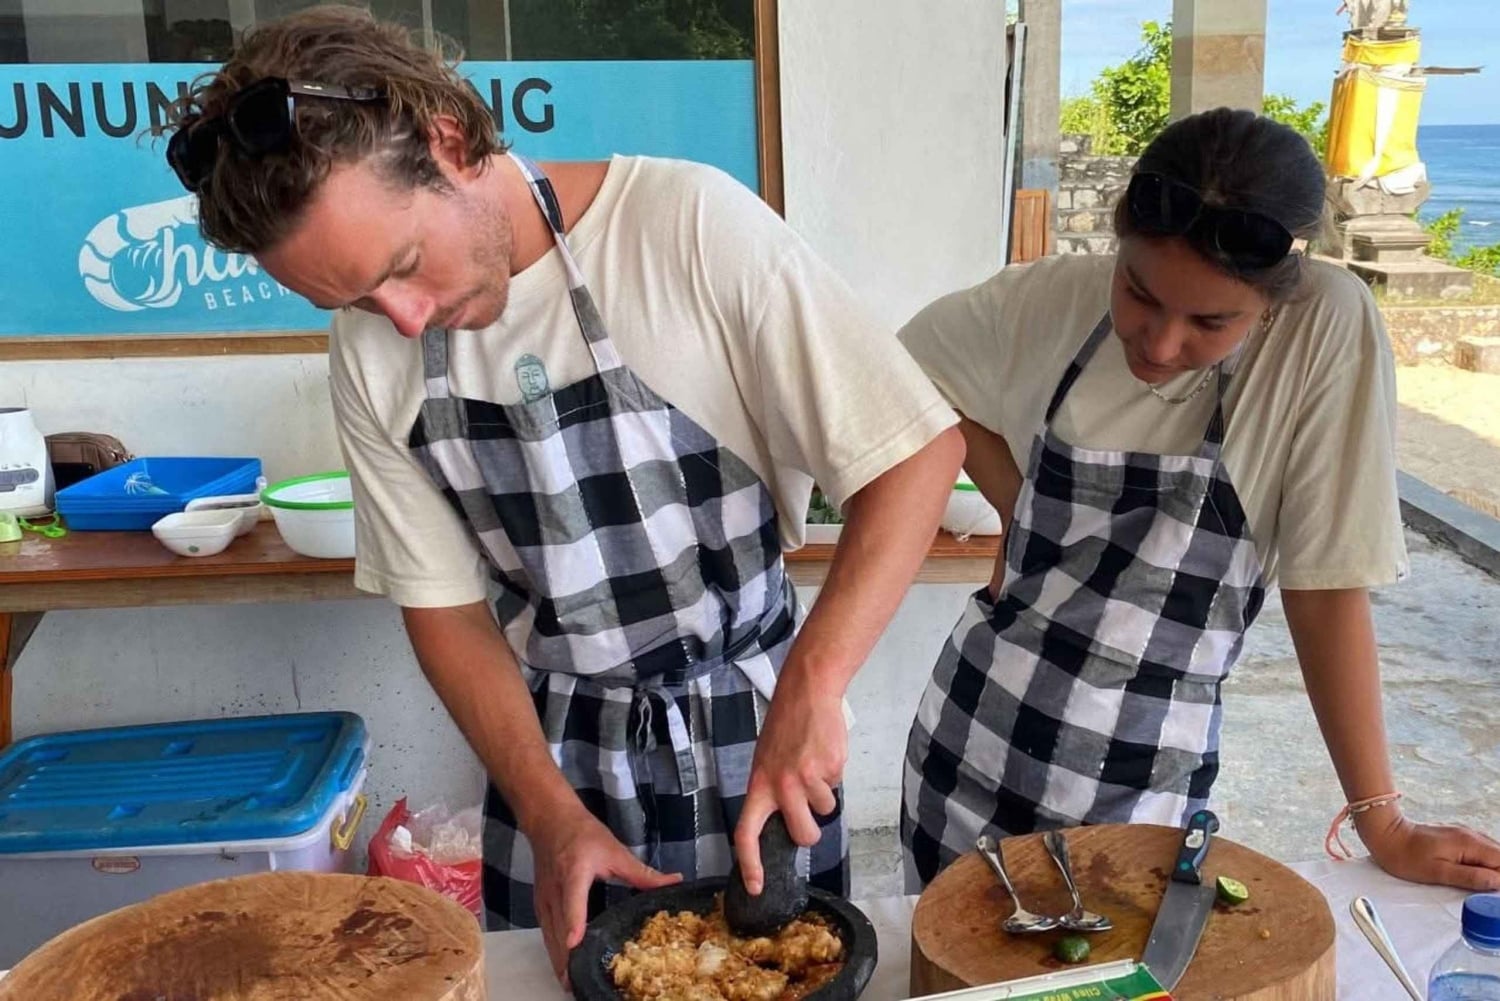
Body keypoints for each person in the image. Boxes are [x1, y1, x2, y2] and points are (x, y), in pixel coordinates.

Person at [162, 5, 965, 975]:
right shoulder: (373, 352)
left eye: (404, 268)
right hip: (550, 754)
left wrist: (816, 681)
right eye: (358, 301)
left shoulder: (685, 230)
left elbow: (913, 455)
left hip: (752, 738)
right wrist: (548, 815)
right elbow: (446, 610)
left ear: (450, 140)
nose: (405, 321)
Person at [899, 108, 1500, 893]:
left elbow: (1325, 590)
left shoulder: (1321, 328)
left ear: (1273, 299)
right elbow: (900, 378)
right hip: (968, 738)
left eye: (1211, 321)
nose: (1159, 341)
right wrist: (1015, 503)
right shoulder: (1048, 299)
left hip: (1140, 781)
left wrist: (1379, 819)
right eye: (1139, 293)